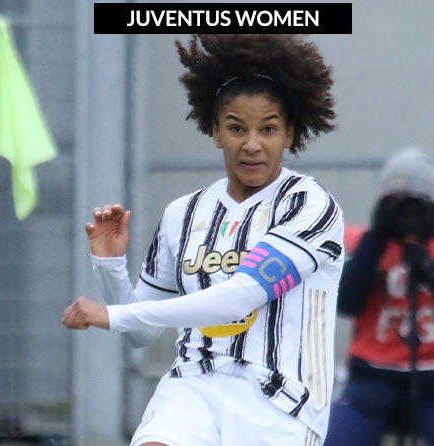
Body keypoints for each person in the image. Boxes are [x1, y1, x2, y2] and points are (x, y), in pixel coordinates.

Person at [62, 34, 344, 446]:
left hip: (279, 403)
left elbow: (239, 298)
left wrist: (113, 315)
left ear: (289, 134)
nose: (252, 144)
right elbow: (142, 333)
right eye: (236, 128)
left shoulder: (309, 205)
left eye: (268, 129)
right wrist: (110, 267)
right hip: (192, 386)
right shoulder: (183, 213)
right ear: (215, 132)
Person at [324, 148, 434, 446]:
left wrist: (432, 271)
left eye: (416, 203)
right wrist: (374, 241)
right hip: (372, 378)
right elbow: (346, 304)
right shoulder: (367, 244)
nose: (408, 212)